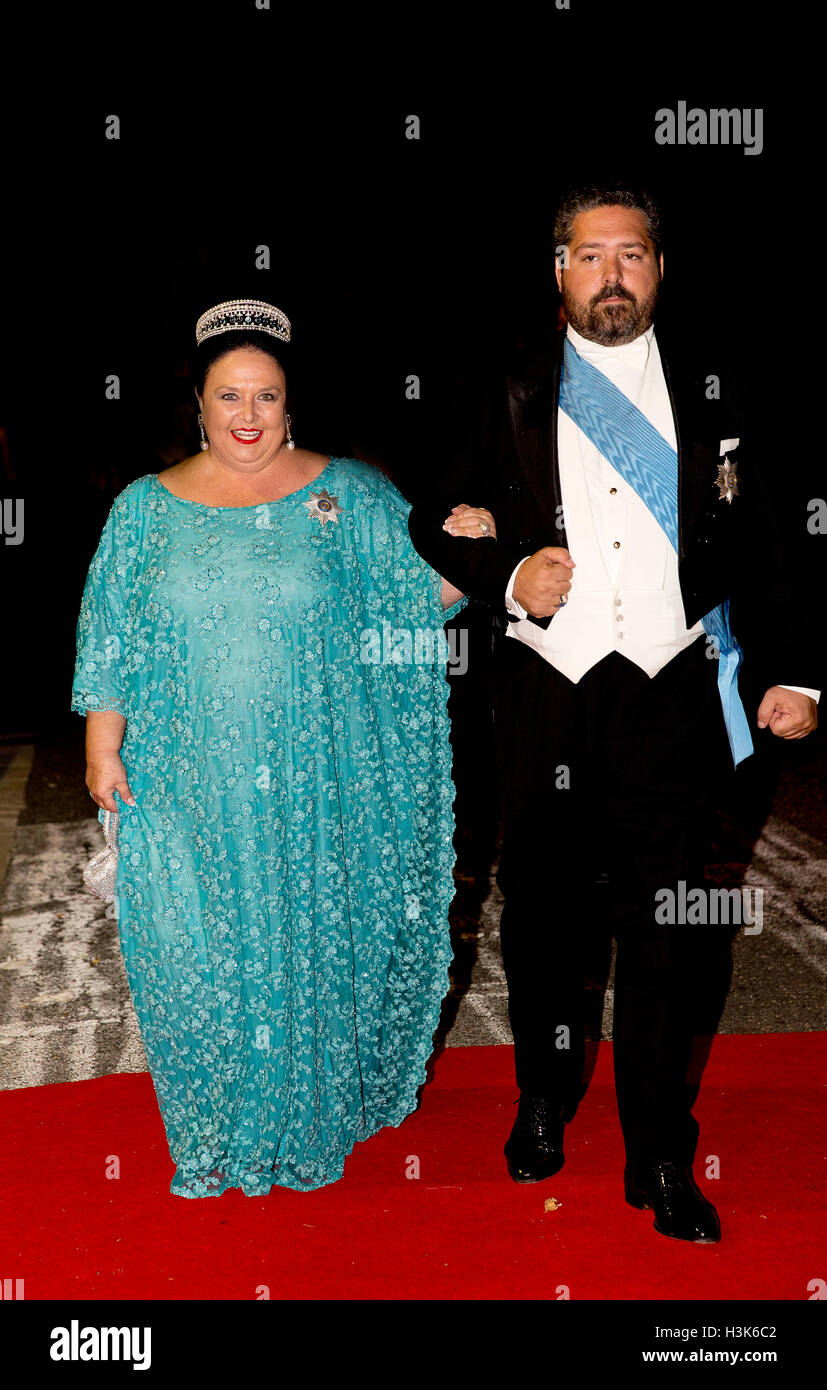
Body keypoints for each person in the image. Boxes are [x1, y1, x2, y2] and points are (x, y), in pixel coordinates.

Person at [408, 186, 820, 1243]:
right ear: (558, 273)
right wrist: (505, 576)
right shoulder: (503, 386)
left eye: (628, 254)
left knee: (673, 929)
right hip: (548, 693)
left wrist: (797, 673)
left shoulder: (723, 390)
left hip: (678, 692)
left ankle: (658, 1149)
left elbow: (779, 544)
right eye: (586, 255)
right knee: (544, 913)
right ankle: (542, 1096)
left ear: (657, 269)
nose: (609, 274)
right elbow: (427, 516)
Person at [71, 297, 495, 1197]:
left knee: (303, 943)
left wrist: (467, 552)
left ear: (290, 401)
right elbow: (111, 634)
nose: (248, 417)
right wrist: (101, 746)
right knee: (183, 949)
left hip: (314, 777)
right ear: (198, 402)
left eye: (265, 396)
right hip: (181, 776)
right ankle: (214, 1121)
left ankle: (304, 1112)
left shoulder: (350, 492)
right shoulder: (142, 511)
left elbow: (411, 602)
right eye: (230, 397)